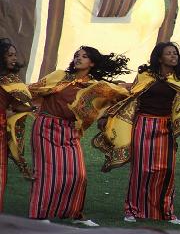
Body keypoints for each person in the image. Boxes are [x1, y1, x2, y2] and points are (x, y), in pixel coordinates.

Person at [93, 42, 180, 225]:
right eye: (169, 54)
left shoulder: (179, 79)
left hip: (167, 127)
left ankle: (165, 212)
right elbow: (129, 97)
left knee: (166, 170)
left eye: (175, 54)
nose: (174, 56)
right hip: (144, 124)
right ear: (159, 58)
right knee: (141, 169)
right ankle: (132, 209)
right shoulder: (145, 76)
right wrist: (107, 116)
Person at [28, 46, 130, 226]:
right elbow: (34, 89)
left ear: (92, 62)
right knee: (47, 174)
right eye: (76, 55)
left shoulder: (95, 87)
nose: (78, 58)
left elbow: (119, 94)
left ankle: (75, 214)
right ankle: (39, 215)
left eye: (84, 56)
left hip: (70, 131)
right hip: (46, 127)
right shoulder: (60, 76)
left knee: (78, 174)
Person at [0, 40, 34, 212]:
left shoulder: (13, 81)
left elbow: (21, 105)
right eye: (10, 55)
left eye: (15, 55)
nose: (14, 58)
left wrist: (31, 108)